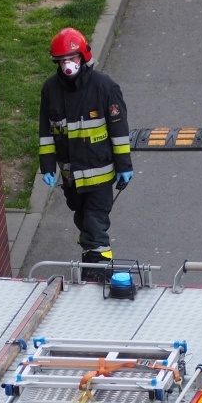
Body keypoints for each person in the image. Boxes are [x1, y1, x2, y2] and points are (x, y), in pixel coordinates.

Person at [38, 27, 133, 273]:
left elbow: (119, 130)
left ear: (83, 57)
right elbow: (46, 132)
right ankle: (92, 259)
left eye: (72, 58)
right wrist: (47, 166)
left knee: (94, 223)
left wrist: (124, 166)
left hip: (100, 175)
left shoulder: (104, 87)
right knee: (83, 221)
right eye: (62, 60)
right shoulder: (51, 90)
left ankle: (99, 270)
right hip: (72, 179)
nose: (67, 64)